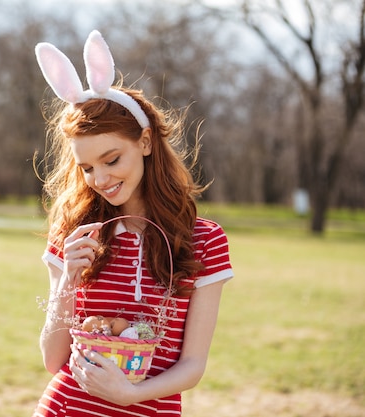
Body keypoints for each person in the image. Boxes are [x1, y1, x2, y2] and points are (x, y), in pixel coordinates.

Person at [32, 30, 234, 417]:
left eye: (112, 160)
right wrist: (70, 278)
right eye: (87, 167)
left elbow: (192, 366)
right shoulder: (75, 232)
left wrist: (128, 396)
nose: (100, 179)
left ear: (144, 142)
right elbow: (53, 359)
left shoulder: (203, 240)